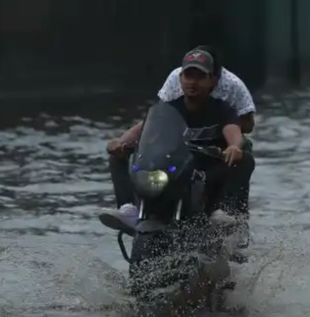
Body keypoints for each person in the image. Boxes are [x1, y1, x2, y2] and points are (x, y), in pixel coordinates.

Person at [102, 45, 256, 244]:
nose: (192, 82)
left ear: (213, 81)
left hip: (209, 166)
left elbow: (235, 132)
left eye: (200, 77)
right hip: (180, 164)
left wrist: (234, 146)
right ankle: (130, 209)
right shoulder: (169, 107)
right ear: (180, 78)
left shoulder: (222, 108)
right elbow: (146, 127)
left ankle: (225, 212)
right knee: (119, 157)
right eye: (188, 75)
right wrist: (121, 143)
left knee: (245, 159)